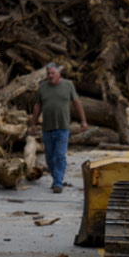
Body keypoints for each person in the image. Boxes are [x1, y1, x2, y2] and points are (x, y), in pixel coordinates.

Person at [28, 62, 88, 193]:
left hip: (62, 127)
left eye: (52, 73)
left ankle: (58, 183)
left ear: (59, 73)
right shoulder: (43, 87)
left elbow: (77, 103)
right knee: (50, 157)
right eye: (48, 73)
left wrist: (83, 121)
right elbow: (37, 106)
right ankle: (57, 178)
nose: (50, 75)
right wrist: (33, 124)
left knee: (60, 156)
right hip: (47, 128)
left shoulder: (68, 86)